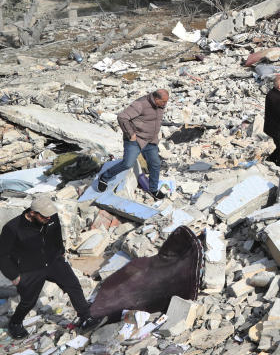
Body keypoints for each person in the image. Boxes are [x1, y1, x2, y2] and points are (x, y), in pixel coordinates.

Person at [0, 196, 97, 338]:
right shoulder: (12, 228)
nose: (49, 218)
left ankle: (86, 316)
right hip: (29, 269)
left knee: (72, 284)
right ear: (33, 213)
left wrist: (61, 251)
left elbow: (57, 234)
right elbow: (3, 256)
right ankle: (15, 323)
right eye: (45, 216)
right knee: (28, 301)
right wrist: (14, 276)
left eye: (50, 215)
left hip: (53, 260)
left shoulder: (51, 217)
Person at [97, 89, 169, 199]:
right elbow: (122, 117)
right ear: (156, 99)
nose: (165, 104)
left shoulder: (160, 105)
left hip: (150, 140)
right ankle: (104, 177)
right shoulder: (140, 104)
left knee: (155, 164)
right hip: (135, 139)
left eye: (166, 101)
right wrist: (131, 134)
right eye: (163, 101)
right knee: (127, 164)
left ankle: (153, 189)